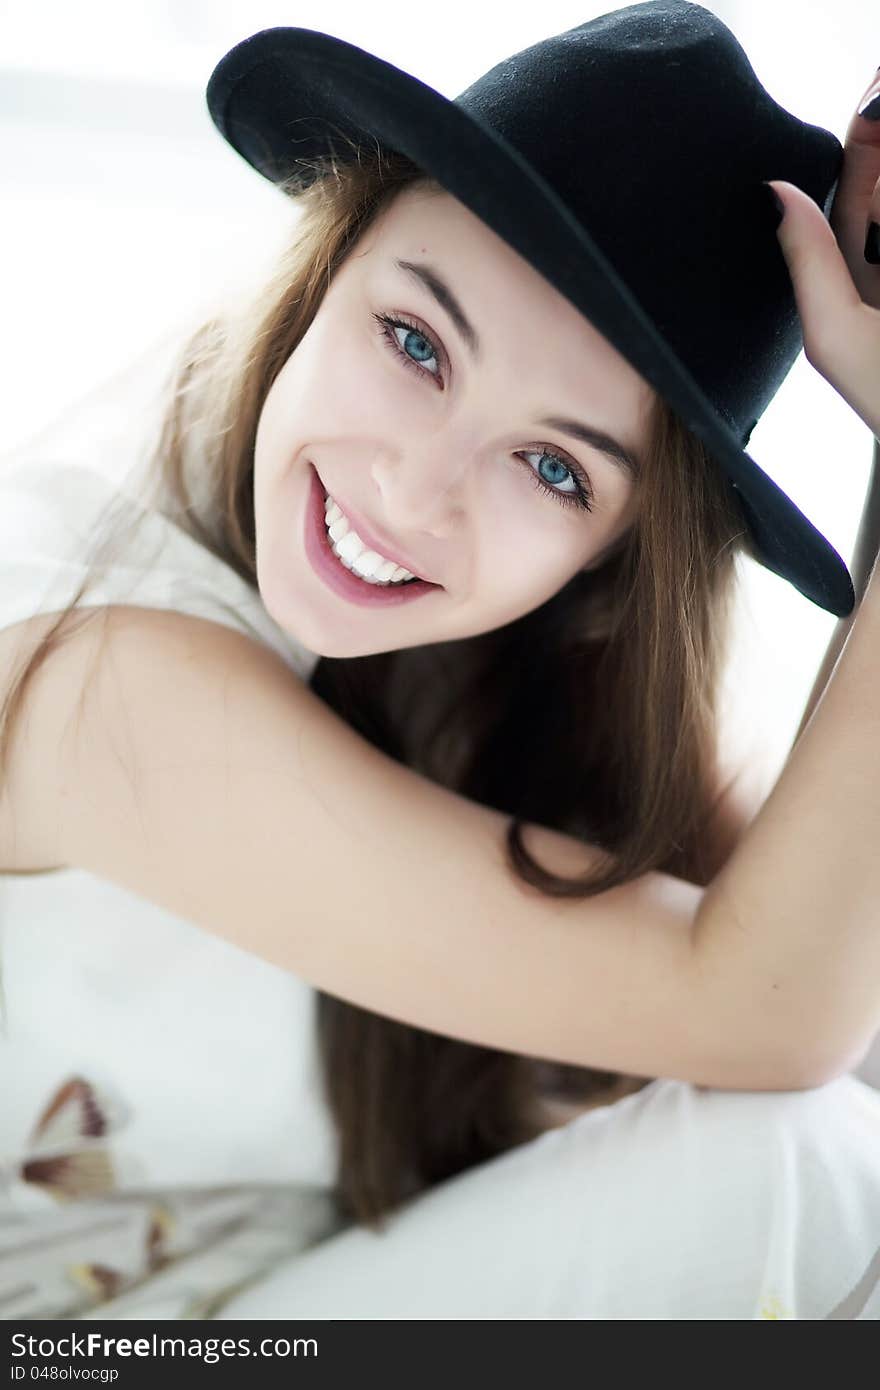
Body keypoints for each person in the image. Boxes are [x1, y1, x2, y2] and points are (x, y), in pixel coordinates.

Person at [0, 2, 878, 1320]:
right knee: (812, 1173)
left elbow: (816, 959)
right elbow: (771, 1010)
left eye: (551, 466)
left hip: (256, 1306)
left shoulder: (503, 673)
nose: (415, 491)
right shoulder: (97, 666)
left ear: (610, 557)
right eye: (415, 343)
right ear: (332, 256)